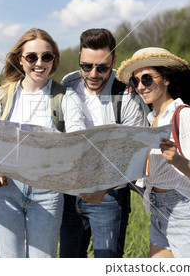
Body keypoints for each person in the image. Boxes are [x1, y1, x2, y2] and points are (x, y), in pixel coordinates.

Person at [0, 28, 85, 258]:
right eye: (32, 57)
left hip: (47, 192)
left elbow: (77, 142)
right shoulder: (1, 95)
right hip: (5, 191)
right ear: (20, 59)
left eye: (46, 57)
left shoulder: (65, 97)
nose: (39, 63)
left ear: (53, 60)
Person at [116, 47, 190, 258]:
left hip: (188, 212)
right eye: (135, 81)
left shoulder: (186, 116)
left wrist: (176, 159)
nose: (140, 86)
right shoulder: (151, 120)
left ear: (166, 79)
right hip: (159, 210)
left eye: (147, 79)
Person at [59, 28, 150, 258]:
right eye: (86, 66)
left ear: (114, 61)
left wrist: (105, 187)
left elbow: (134, 153)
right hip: (70, 194)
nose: (93, 74)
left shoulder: (127, 94)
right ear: (79, 57)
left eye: (102, 68)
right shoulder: (68, 84)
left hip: (109, 196)